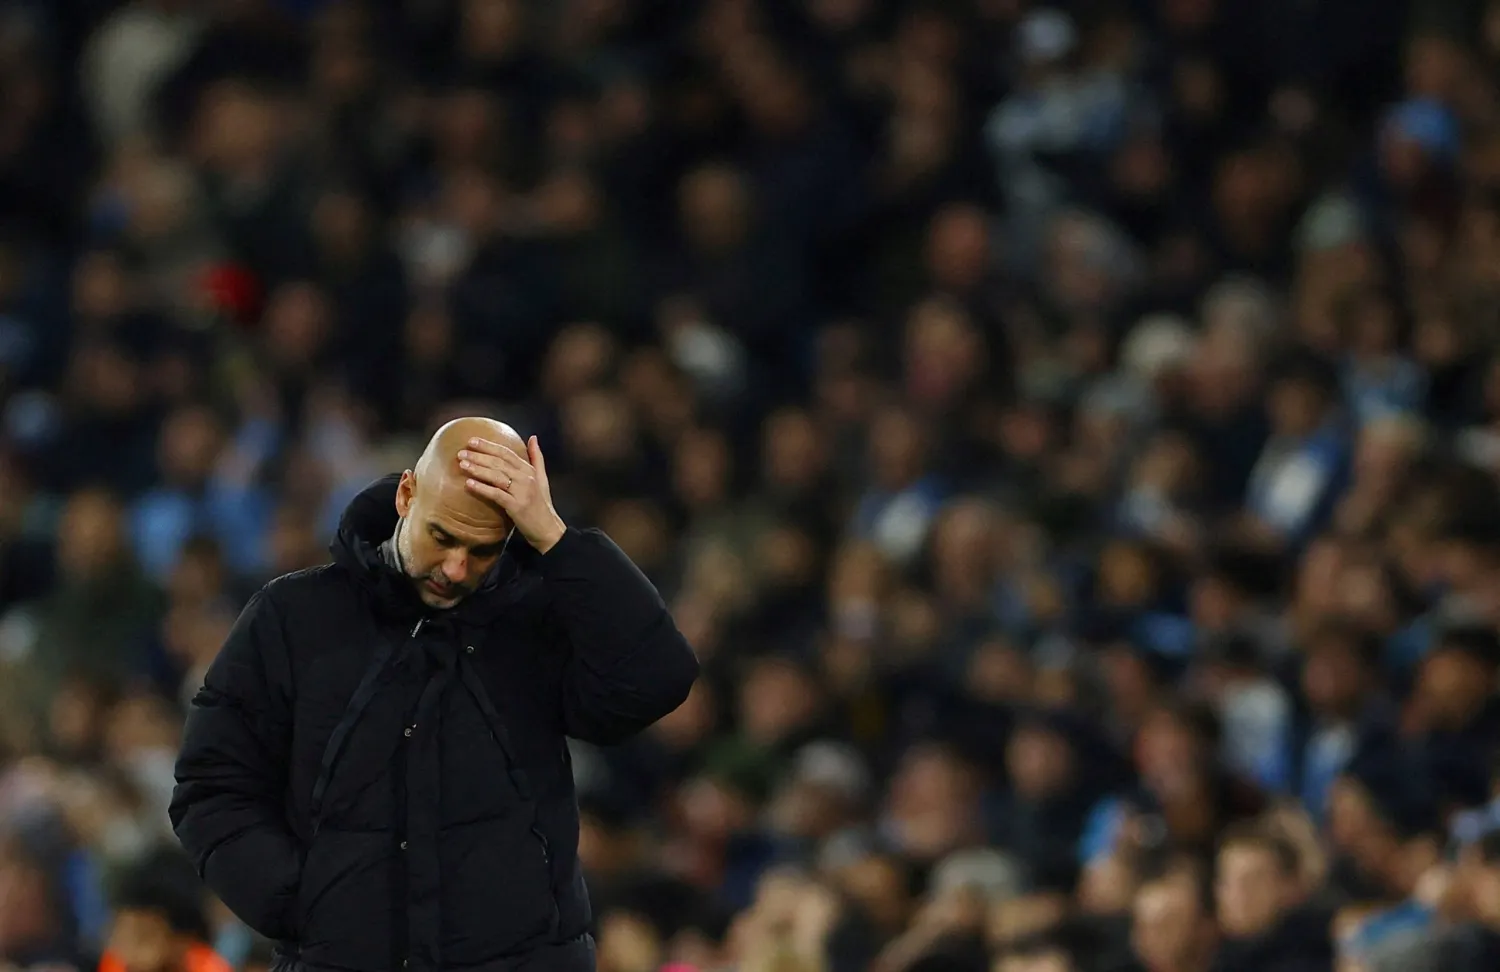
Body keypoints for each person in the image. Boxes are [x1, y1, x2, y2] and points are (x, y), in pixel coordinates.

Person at [169, 417, 700, 972]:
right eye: (442, 537)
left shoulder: (536, 618)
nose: (455, 568)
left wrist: (557, 539)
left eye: (483, 550)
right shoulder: (295, 617)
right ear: (406, 494)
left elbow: (657, 677)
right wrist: (303, 904)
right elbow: (213, 783)